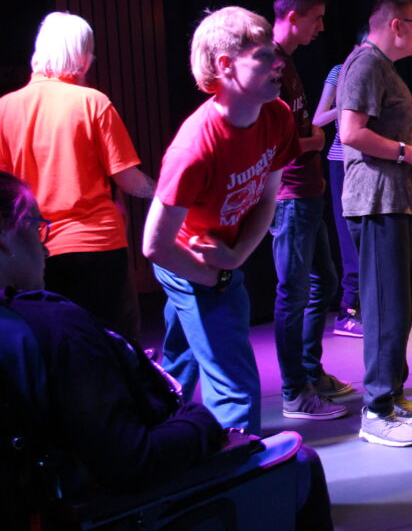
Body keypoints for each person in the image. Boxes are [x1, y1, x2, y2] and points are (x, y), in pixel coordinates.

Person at [0, 171, 333, 529]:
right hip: (112, 505)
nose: (45, 245)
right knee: (302, 463)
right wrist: (202, 422)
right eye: (36, 226)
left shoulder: (23, 324)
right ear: (5, 236)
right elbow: (132, 462)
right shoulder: (59, 328)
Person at [143, 6, 299, 434]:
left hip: (223, 258)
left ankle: (158, 435)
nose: (279, 62)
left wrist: (233, 258)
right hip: (188, 262)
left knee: (179, 363)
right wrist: (215, 278)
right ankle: (241, 474)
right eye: (264, 56)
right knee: (236, 386)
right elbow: (155, 245)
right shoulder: (193, 148)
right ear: (226, 66)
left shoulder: (278, 117)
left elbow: (268, 199)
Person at [0, 11, 157, 342]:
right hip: (97, 247)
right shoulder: (93, 102)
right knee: (114, 347)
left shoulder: (4, 109)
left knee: (57, 350)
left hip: (33, 253)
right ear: (81, 57)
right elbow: (129, 180)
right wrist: (162, 192)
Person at [338, 0, 412, 447]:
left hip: (398, 200)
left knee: (399, 306)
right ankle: (376, 411)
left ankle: (393, 394)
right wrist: (409, 152)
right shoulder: (364, 64)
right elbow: (350, 132)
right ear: (395, 25)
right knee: (383, 309)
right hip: (377, 202)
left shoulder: (383, 67)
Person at [269, 0, 352, 422]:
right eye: (316, 19)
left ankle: (309, 371)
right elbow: (266, 144)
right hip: (291, 198)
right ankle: (294, 392)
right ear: (294, 16)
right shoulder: (271, 65)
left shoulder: (289, 61)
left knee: (324, 284)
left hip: (309, 192)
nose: (321, 28)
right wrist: (314, 141)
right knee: (293, 293)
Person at [312, 38, 364, 338]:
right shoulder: (339, 71)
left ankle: (368, 309)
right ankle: (348, 312)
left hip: (371, 161)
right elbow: (319, 118)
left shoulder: (379, 70)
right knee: (348, 237)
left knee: (368, 238)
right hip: (342, 160)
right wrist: (345, 106)